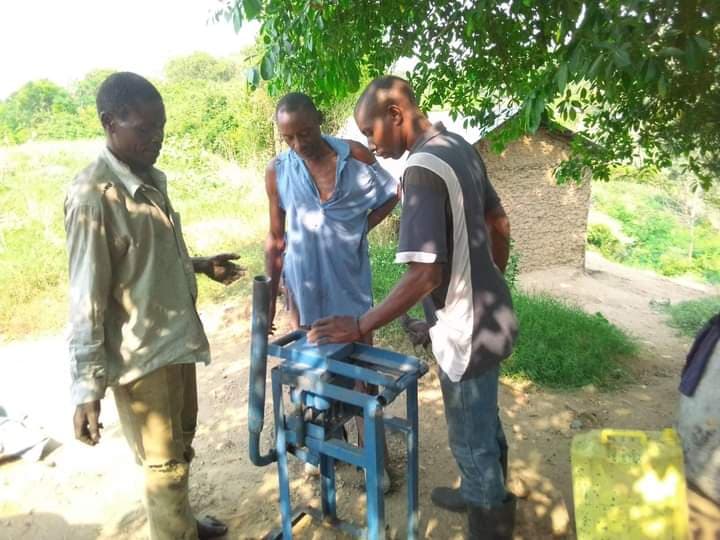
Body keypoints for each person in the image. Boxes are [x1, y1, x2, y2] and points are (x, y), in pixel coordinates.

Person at [308, 76, 519, 539]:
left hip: (466, 327)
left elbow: (425, 273)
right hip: (491, 315)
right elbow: (498, 223)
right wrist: (485, 284)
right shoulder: (458, 146)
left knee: (470, 437)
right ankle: (485, 495)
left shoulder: (421, 169)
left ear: (396, 115)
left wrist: (360, 323)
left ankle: (491, 521)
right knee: (485, 418)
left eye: (371, 132)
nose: (371, 144)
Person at [64, 72, 243, 540]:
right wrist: (87, 388)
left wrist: (202, 265)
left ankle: (182, 525)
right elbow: (86, 296)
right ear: (109, 122)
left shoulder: (148, 180)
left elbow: (148, 259)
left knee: (181, 448)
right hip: (141, 358)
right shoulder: (94, 196)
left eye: (161, 128)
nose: (157, 139)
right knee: (163, 467)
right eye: (144, 129)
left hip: (176, 341)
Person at [264, 92, 399, 490]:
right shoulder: (278, 171)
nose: (299, 145)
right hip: (303, 286)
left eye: (305, 133)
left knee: (360, 369)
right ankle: (324, 444)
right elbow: (275, 237)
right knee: (312, 366)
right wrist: (270, 296)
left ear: (319, 121)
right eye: (289, 138)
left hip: (348, 283)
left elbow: (391, 193)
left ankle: (373, 455)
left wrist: (358, 228)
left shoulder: (355, 156)